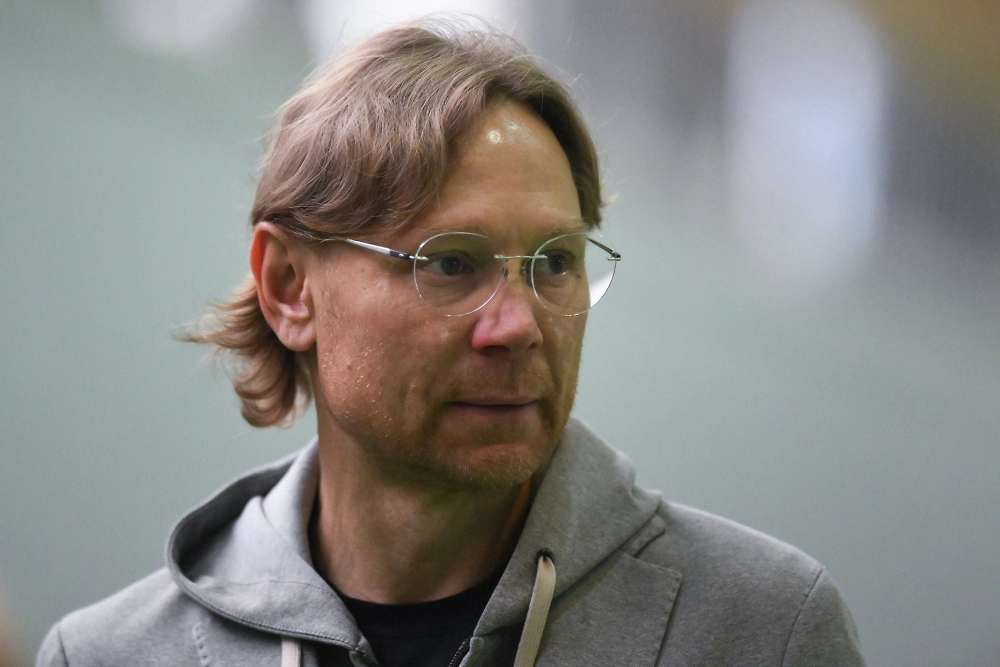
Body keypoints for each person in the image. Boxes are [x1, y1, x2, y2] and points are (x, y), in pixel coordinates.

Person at [37, 19, 865, 667]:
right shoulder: (109, 653)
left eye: (556, 262)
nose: (519, 326)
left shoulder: (762, 630)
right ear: (289, 287)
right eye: (452, 263)